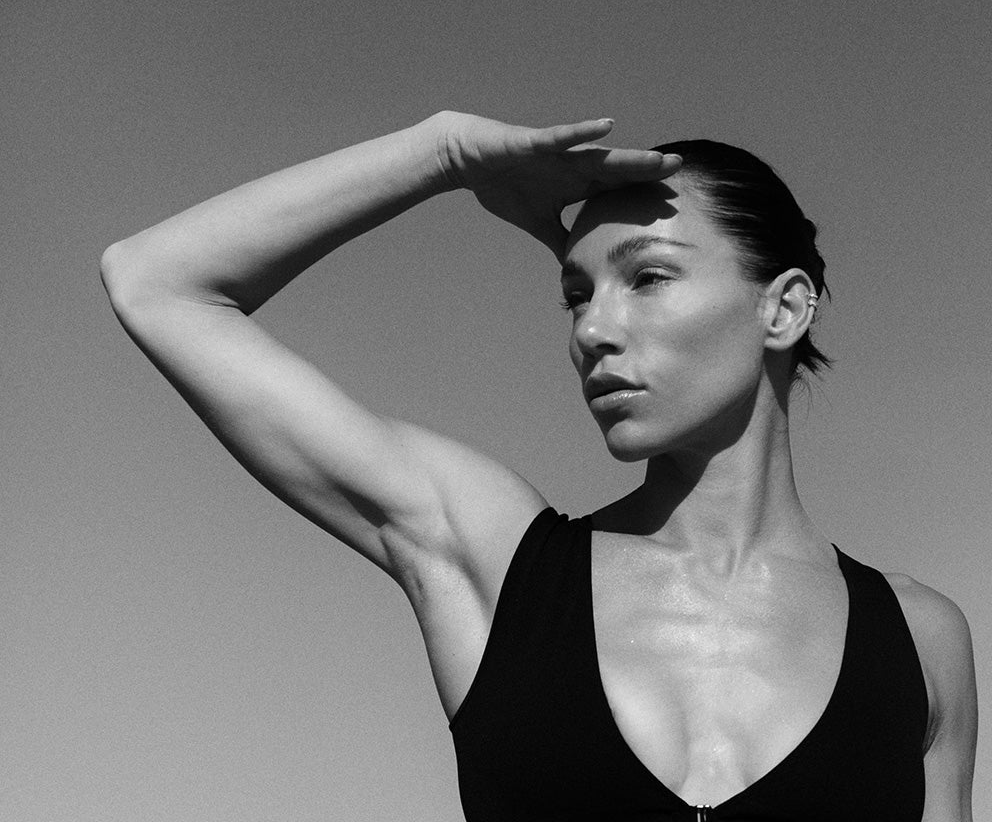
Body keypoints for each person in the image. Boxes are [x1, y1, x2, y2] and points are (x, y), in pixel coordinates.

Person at [101, 112, 977, 821]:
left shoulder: (921, 642)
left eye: (648, 277)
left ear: (783, 309)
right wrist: (441, 153)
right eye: (575, 293)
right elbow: (158, 282)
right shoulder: (502, 568)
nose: (591, 330)